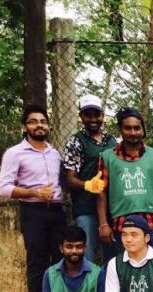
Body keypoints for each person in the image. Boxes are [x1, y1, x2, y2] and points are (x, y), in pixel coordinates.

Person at [0, 104, 66, 292]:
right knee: (37, 261)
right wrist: (34, 192)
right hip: (33, 211)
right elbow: (4, 188)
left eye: (43, 121)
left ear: (49, 126)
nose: (39, 125)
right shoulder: (15, 153)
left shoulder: (55, 153)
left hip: (57, 211)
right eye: (33, 121)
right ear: (25, 127)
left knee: (60, 260)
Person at [95, 107, 153, 259]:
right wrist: (103, 224)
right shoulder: (107, 157)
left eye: (137, 128)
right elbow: (101, 191)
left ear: (142, 130)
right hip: (121, 225)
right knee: (122, 271)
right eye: (127, 128)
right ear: (120, 130)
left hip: (152, 225)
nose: (133, 132)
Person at [62, 94, 117, 263]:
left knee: (113, 257)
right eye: (88, 115)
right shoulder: (76, 141)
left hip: (112, 209)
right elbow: (69, 178)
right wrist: (87, 185)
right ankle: (88, 289)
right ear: (81, 117)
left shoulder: (112, 140)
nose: (93, 119)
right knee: (87, 256)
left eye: (97, 115)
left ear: (102, 116)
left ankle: (109, 290)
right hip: (86, 208)